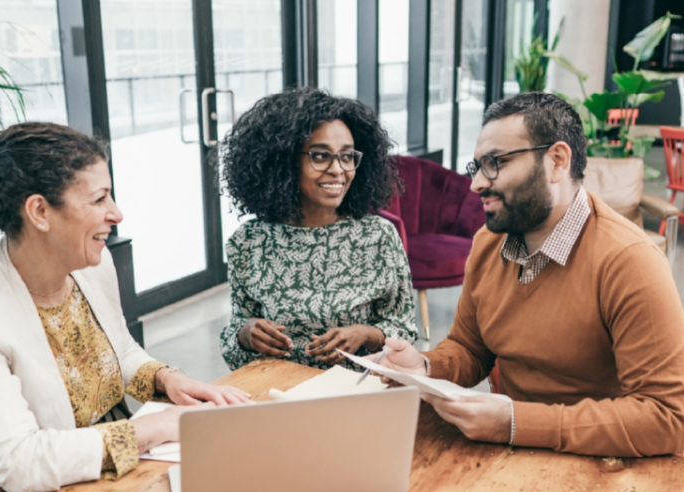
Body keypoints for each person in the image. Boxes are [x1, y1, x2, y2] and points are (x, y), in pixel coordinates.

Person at [0, 122, 251, 492]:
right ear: (39, 211)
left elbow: (120, 352)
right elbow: (20, 462)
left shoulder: (92, 265)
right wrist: (150, 429)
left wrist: (170, 381)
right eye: (99, 199)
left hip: (116, 470)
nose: (117, 213)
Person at [379, 92, 684, 457]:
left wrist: (516, 423)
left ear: (557, 161)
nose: (476, 185)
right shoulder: (489, 243)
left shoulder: (630, 262)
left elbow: (667, 418)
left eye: (496, 163)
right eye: (476, 167)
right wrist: (426, 366)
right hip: (509, 453)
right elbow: (470, 347)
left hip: (603, 466)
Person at [219, 88, 417, 370]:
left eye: (347, 157)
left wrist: (368, 335)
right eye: (321, 156)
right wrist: (246, 334)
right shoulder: (249, 241)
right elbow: (236, 333)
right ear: (284, 161)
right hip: (279, 392)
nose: (338, 170)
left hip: (356, 394)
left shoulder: (378, 237)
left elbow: (405, 331)